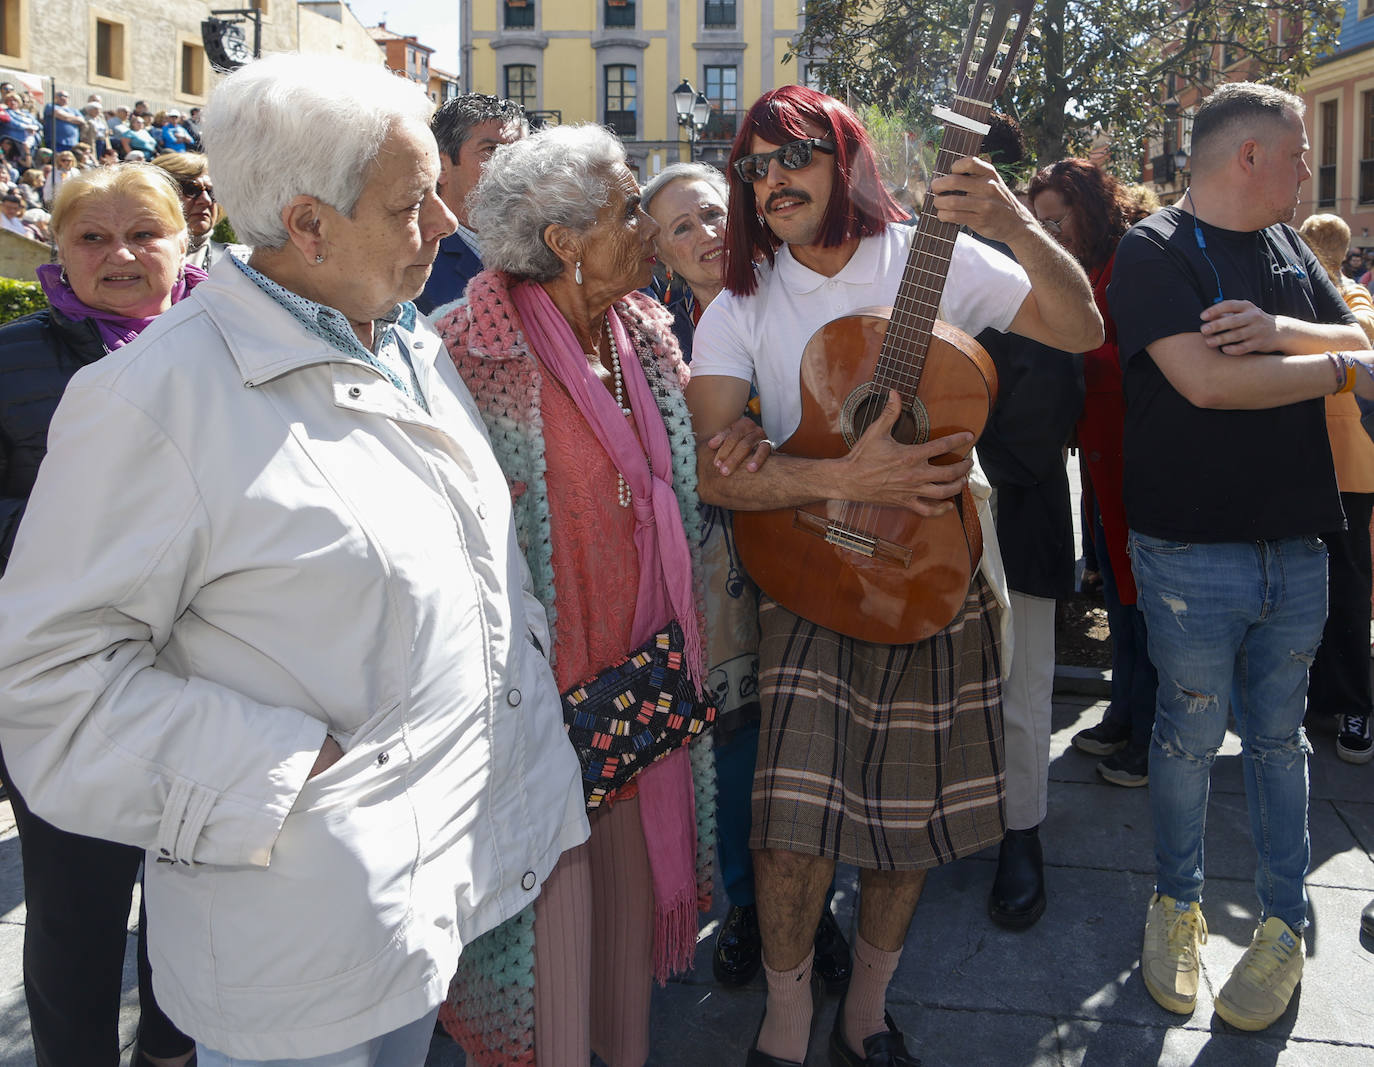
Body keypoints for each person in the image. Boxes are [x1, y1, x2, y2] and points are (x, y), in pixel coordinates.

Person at [0, 53, 588, 1067]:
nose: (446, 225)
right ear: (307, 226)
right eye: (412, 203)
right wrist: (289, 772)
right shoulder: (151, 402)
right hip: (297, 931)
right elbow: (47, 681)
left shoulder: (408, 343)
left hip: (428, 881)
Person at [687, 85, 1102, 1066]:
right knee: (790, 833)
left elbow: (1079, 326)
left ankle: (864, 1013)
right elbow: (715, 468)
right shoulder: (739, 304)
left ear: (847, 159)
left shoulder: (933, 259)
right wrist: (841, 473)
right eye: (752, 167)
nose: (770, 180)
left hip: (930, 579)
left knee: (903, 830)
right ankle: (786, 1021)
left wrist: (1009, 220)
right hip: (807, 581)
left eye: (792, 156)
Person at [434, 123, 764, 1067]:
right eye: (627, 210)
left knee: (627, 918)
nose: (647, 227)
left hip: (641, 695)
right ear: (563, 241)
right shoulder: (467, 350)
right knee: (546, 943)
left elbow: (694, 470)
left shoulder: (647, 331)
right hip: (538, 713)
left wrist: (744, 448)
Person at [1107, 81, 1374, 1032]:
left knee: (1279, 741)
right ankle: (1176, 905)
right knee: (1184, 740)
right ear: (1248, 156)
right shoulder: (1154, 250)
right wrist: (1333, 366)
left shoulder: (1290, 248)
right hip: (1189, 554)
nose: (1311, 168)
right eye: (1299, 151)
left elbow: (1358, 337)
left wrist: (1285, 335)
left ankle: (1284, 924)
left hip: (1299, 545)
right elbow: (1209, 383)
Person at [0, 163, 203, 1067]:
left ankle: (169, 1049)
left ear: (185, 239)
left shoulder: (228, 344)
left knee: (192, 898)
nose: (119, 254)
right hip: (67, 691)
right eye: (92, 236)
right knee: (73, 910)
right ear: (58, 249)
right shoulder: (12, 359)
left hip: (209, 675)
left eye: (143, 234)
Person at [641, 162, 854, 990]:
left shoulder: (793, 292)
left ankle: (817, 913)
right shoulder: (647, 328)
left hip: (812, 540)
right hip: (708, 563)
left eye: (713, 215)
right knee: (735, 739)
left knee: (814, 734)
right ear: (656, 246)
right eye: (681, 226)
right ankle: (746, 905)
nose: (706, 236)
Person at [969, 118, 1086, 932]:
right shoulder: (915, 265)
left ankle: (1022, 834)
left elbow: (1040, 427)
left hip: (1014, 513)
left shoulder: (1030, 276)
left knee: (1021, 686)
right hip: (933, 514)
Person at [1028, 159, 1160, 790]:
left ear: (1090, 204)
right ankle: (1124, 712)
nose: (1051, 230)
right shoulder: (1081, 263)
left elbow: (1120, 351)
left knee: (1147, 598)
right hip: (1104, 457)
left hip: (1141, 453)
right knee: (1118, 591)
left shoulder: (1133, 255)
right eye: (1041, 221)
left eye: (1060, 217)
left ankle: (1150, 731)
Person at [1297, 212, 1374, 765]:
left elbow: (1362, 342)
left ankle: (1353, 703)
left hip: (1348, 469)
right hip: (1298, 461)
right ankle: (1315, 697)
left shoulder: (1355, 301)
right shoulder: (1298, 294)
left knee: (1346, 586)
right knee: (1303, 588)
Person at [416, 92, 527, 316]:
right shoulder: (416, 259)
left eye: (520, 153)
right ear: (441, 166)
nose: (511, 166)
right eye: (491, 151)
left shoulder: (546, 250)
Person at [152, 152, 236, 270]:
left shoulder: (240, 263)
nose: (206, 200)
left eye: (212, 192)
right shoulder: (126, 258)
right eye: (191, 189)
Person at [42, 89, 81, 153]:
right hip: (56, 142)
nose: (63, 98)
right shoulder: (50, 106)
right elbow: (58, 114)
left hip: (72, 142)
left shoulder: (74, 110)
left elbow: (81, 120)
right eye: (61, 95)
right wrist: (74, 119)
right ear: (55, 97)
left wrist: (65, 117)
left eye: (66, 96)